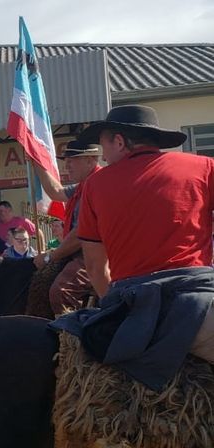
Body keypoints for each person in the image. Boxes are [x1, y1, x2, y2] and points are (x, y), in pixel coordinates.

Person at [52, 105, 214, 391]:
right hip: (197, 306)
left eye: (103, 144)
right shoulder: (204, 167)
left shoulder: (95, 185)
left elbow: (96, 268)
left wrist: (114, 308)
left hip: (132, 312)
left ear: (119, 141)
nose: (103, 155)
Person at [31, 140, 104, 314]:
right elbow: (56, 192)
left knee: (61, 291)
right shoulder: (83, 186)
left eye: (72, 160)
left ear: (90, 160)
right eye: (66, 160)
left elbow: (81, 233)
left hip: (95, 254)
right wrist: (36, 161)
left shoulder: (99, 185)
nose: (67, 166)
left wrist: (50, 257)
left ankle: (69, 331)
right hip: (80, 252)